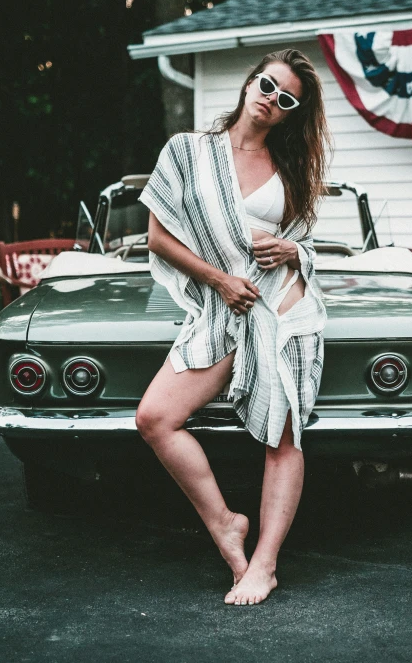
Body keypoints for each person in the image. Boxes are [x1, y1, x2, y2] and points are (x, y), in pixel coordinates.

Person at [136, 48, 332, 605]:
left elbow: (305, 243)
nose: (272, 100)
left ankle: (264, 564)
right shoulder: (187, 151)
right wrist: (220, 281)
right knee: (155, 418)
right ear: (251, 83)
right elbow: (159, 238)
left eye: (287, 99)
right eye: (268, 86)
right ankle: (226, 523)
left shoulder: (288, 170)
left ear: (292, 113)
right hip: (224, 306)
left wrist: (293, 247)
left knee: (283, 435)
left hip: (284, 310)